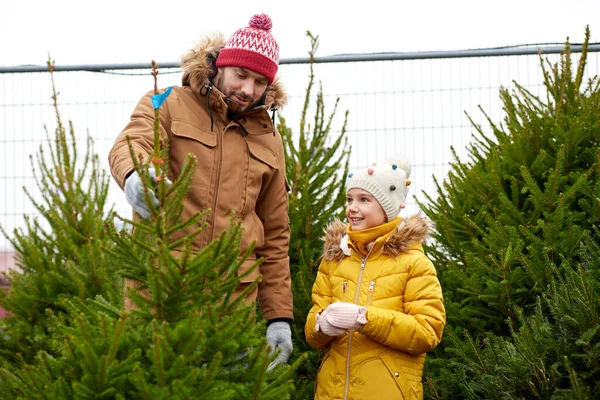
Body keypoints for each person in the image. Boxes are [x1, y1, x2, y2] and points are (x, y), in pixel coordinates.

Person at [108, 13, 293, 370]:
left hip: (230, 312)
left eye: (259, 82)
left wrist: (278, 317)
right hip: (161, 299)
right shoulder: (165, 100)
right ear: (220, 66)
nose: (248, 90)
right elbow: (133, 140)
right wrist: (136, 175)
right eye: (241, 75)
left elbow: (275, 234)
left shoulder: (269, 138)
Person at [304, 156, 446, 399]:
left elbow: (427, 331)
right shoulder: (334, 260)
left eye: (364, 200)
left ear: (387, 207)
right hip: (331, 393)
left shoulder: (414, 262)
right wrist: (321, 324)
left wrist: (365, 319)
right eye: (350, 199)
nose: (352, 208)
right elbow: (312, 334)